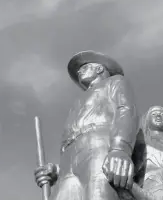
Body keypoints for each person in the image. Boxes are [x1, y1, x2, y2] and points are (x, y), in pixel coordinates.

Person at [34, 50, 140, 200]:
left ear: (99, 68)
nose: (79, 71)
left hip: (99, 148)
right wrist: (56, 171)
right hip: (70, 155)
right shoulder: (76, 102)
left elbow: (126, 112)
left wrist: (120, 149)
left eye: (84, 67)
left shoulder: (115, 82)